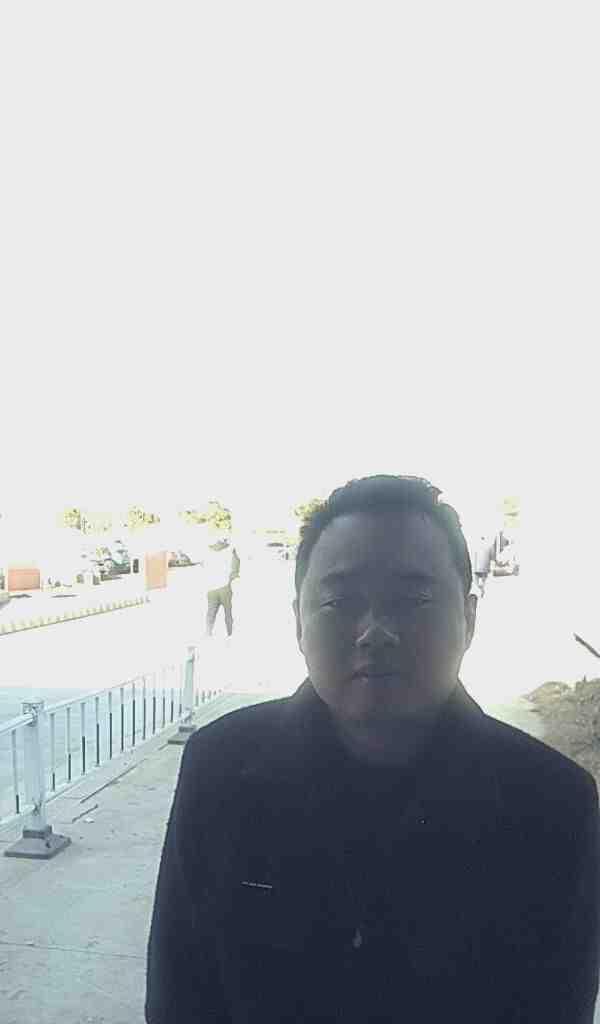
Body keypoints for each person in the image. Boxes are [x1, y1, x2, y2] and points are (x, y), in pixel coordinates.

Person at [146, 474, 600, 1024]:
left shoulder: (556, 805)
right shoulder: (218, 768)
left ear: (469, 618)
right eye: (340, 601)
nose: (375, 632)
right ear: (298, 622)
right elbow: (179, 998)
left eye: (414, 600)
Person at [203, 535, 240, 637]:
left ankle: (208, 634)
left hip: (211, 588)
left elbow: (204, 568)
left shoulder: (208, 551)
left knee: (210, 614)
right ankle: (230, 634)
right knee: (228, 614)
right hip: (225, 587)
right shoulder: (230, 551)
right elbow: (235, 566)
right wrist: (232, 578)